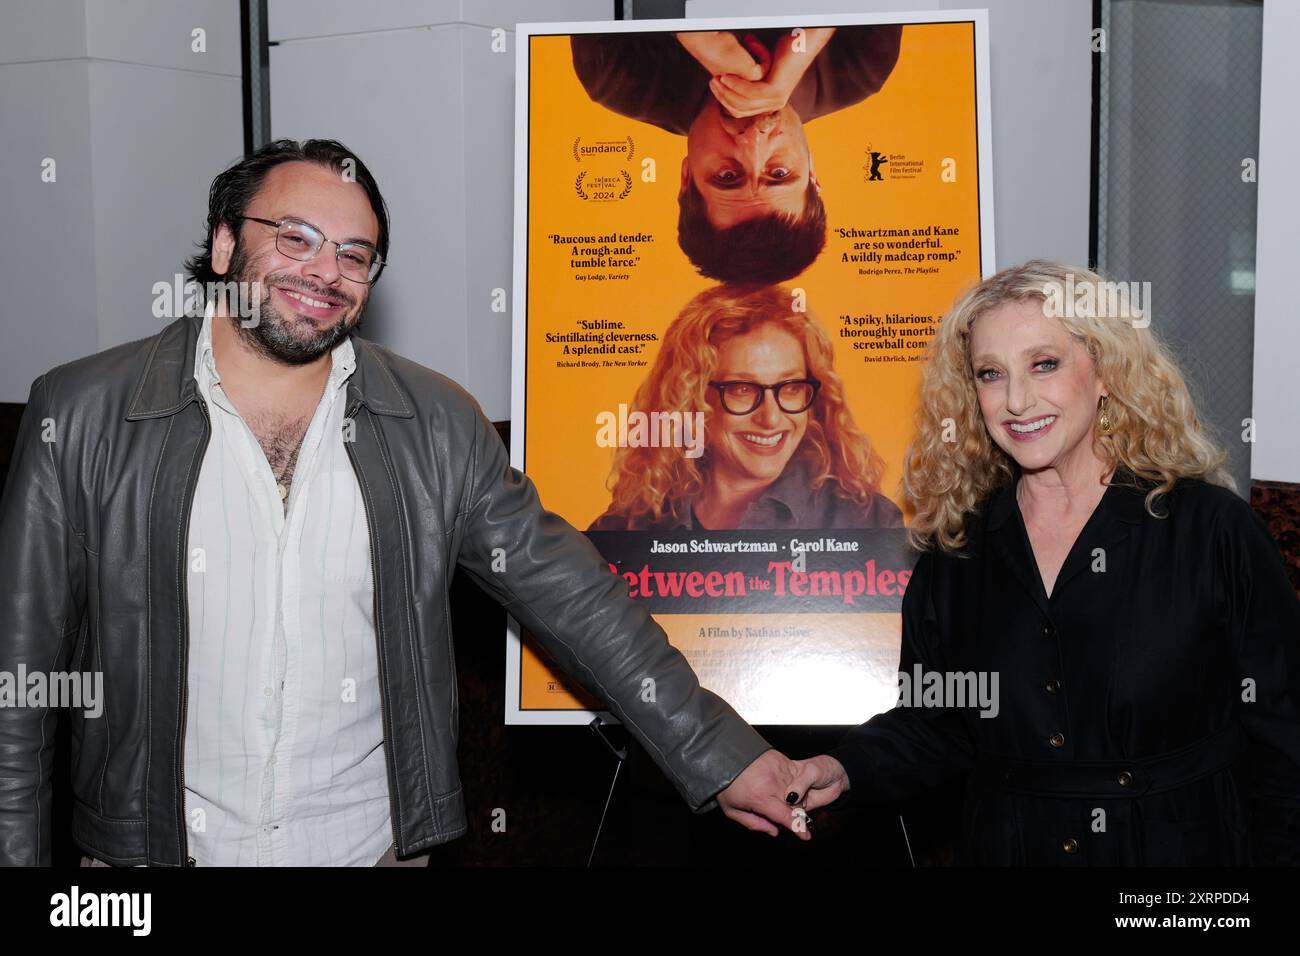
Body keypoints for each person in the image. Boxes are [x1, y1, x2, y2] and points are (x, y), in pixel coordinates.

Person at [0, 139, 806, 867]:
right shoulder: (81, 413)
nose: (325, 272)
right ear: (222, 243)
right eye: (295, 238)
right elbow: (23, 675)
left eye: (356, 255)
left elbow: (577, 600)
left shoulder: (434, 423)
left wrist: (718, 753)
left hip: (371, 850)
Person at [785, 260, 1300, 864]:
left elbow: (1286, 747)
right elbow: (936, 724)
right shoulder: (958, 551)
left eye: (1044, 364)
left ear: (1105, 370)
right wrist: (840, 768)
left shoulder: (1212, 532)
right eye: (991, 374)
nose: (1017, 400)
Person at [571, 25, 903, 284]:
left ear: (686, 177)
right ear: (813, 172)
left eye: (728, 177)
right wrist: (804, 45)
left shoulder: (617, 78)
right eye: (780, 174)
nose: (753, 142)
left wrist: (697, 35)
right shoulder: (862, 69)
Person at [589, 284, 902, 531]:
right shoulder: (626, 529)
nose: (771, 418)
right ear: (691, 400)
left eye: (790, 388)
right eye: (742, 389)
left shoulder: (867, 522)